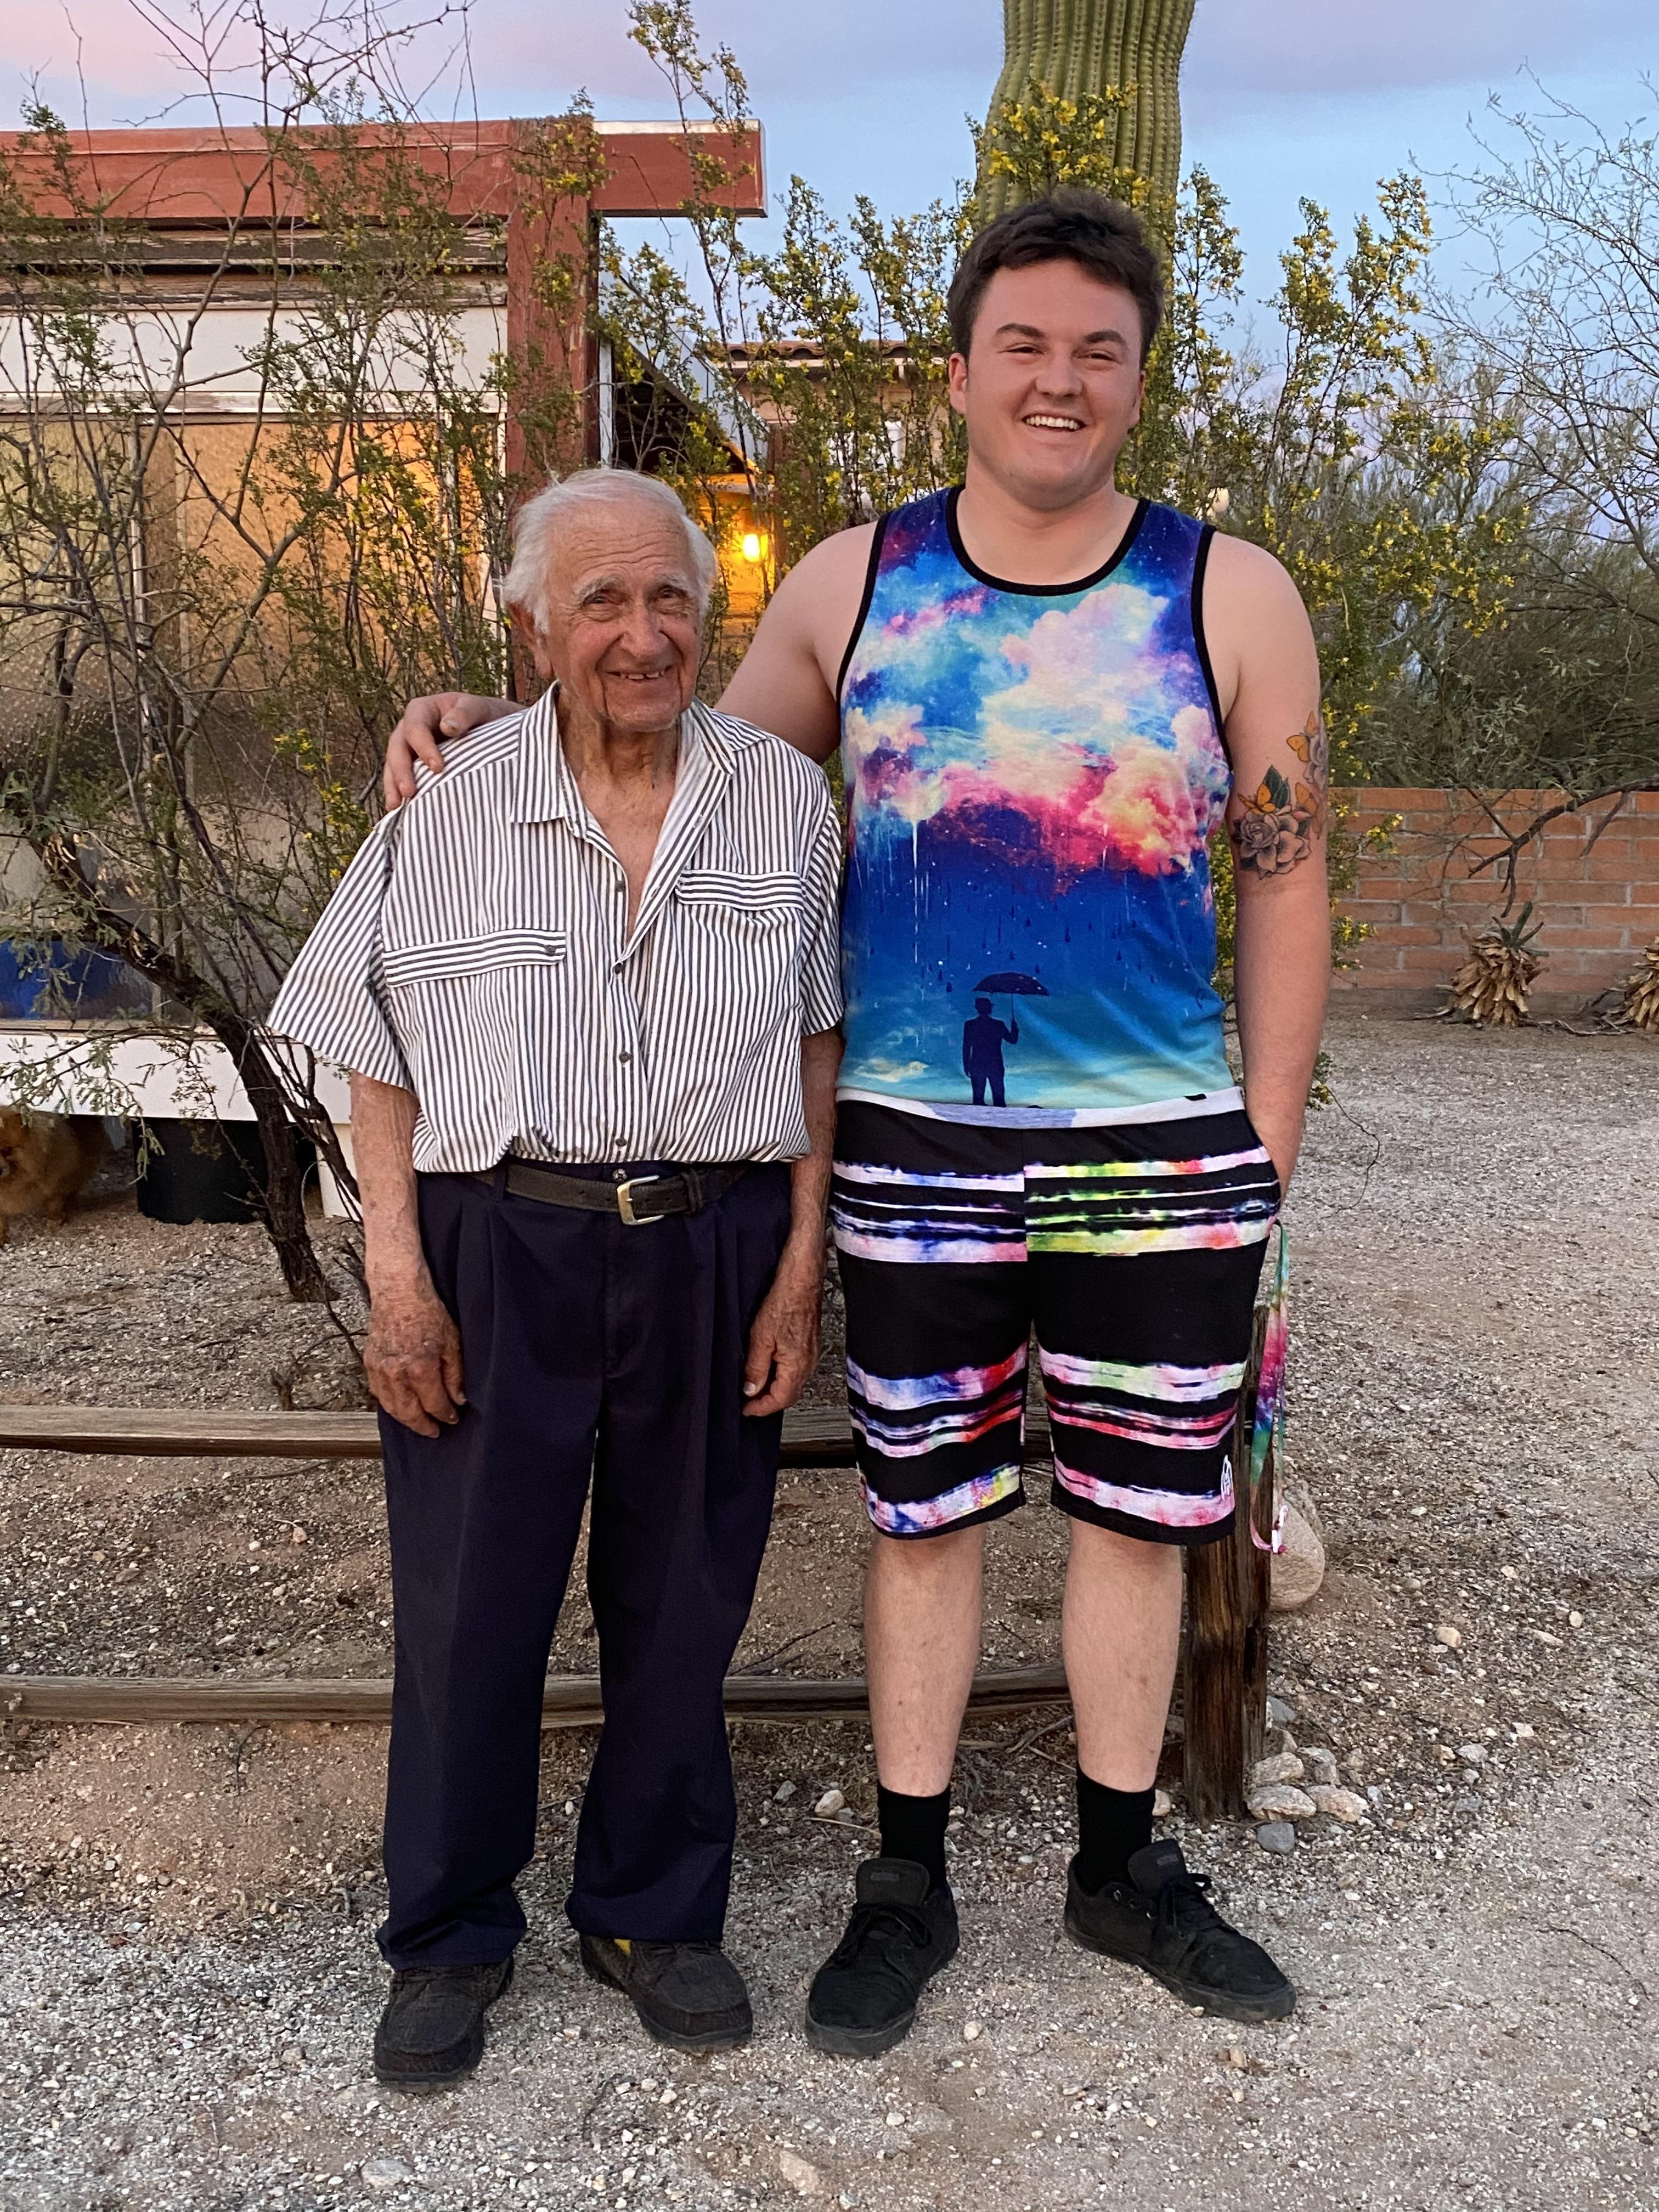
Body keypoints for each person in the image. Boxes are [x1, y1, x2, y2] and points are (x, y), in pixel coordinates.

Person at [382, 187, 1330, 2052]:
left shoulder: (1230, 592)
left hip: (1162, 1149)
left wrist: (1265, 1154)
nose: (1058, 381)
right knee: (927, 1511)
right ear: (959, 372)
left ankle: (1120, 1864)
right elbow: (680, 763)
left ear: (1139, 381)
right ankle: (906, 1881)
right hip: (914, 1145)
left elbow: (1286, 874)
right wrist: (483, 715)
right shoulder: (853, 582)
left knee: (1141, 1519)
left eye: (1099, 351)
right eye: (1023, 345)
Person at [268, 469, 843, 2085]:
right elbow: (371, 1042)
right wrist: (396, 1276)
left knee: (687, 1596)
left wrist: (799, 1267)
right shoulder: (445, 799)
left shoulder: (786, 804)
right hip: (494, 1243)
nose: (643, 634)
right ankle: (450, 1936)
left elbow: (818, 1042)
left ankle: (652, 1913)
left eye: (671, 598)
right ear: (529, 628)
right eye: (601, 601)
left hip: (713, 1239)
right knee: (470, 1608)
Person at [961, 996, 1019, 1107]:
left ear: (977, 1009)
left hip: (977, 1064)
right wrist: (1015, 1028)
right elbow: (1013, 1040)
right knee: (999, 1099)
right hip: (995, 1064)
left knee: (978, 1099)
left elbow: (966, 1047)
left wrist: (966, 1065)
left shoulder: (970, 1025)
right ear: (990, 1009)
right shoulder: (998, 1025)